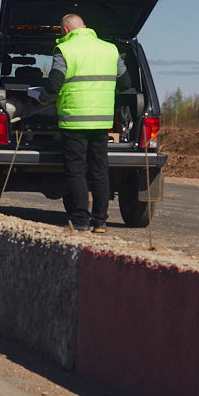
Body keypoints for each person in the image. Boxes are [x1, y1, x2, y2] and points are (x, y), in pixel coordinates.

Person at [41, 14, 128, 234]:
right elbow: (126, 82)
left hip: (74, 121)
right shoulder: (110, 50)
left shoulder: (65, 50)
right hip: (101, 121)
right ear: (86, 27)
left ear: (65, 31)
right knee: (100, 170)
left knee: (76, 171)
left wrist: (42, 98)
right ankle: (100, 222)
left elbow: (54, 83)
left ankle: (80, 220)